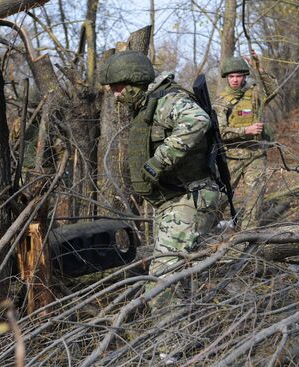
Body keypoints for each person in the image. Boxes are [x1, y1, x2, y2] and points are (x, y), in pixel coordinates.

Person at [98, 50, 220, 299]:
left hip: (188, 199)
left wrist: (158, 162)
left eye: (119, 88)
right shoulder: (148, 105)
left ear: (135, 82)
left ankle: (169, 338)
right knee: (177, 279)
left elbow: (197, 120)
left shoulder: (167, 100)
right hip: (172, 201)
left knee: (163, 286)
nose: (116, 95)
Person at [213, 53, 278, 229]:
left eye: (239, 76)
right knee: (221, 197)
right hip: (231, 157)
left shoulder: (254, 94)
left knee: (255, 197)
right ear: (227, 78)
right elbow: (220, 132)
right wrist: (245, 130)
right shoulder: (221, 102)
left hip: (256, 154)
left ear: (244, 76)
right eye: (231, 76)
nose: (235, 80)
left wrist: (259, 67)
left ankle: (249, 235)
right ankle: (206, 230)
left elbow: (273, 89)